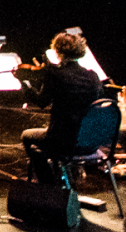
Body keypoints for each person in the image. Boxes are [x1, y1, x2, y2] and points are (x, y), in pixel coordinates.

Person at [17, 29, 107, 176]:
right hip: (90, 140)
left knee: (27, 136)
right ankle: (66, 174)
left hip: (63, 139)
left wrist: (25, 83)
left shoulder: (55, 74)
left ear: (56, 51)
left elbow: (41, 102)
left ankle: (48, 185)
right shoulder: (93, 76)